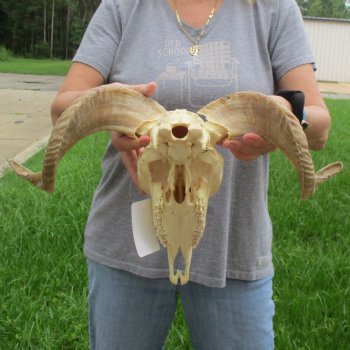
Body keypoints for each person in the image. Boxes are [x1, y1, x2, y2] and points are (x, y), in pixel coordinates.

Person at [51, 0, 331, 349]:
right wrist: (113, 108)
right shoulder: (123, 6)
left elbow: (319, 126)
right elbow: (62, 108)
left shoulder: (272, 8)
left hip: (233, 247)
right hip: (127, 243)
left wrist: (284, 115)